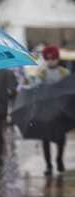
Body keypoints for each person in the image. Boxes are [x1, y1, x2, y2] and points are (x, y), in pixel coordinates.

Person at [36, 46, 70, 176]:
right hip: (45, 110)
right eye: (48, 58)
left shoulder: (64, 72)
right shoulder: (41, 72)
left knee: (61, 137)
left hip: (61, 111)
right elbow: (38, 89)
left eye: (53, 58)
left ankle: (59, 159)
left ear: (57, 58)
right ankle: (48, 164)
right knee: (45, 138)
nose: (51, 61)